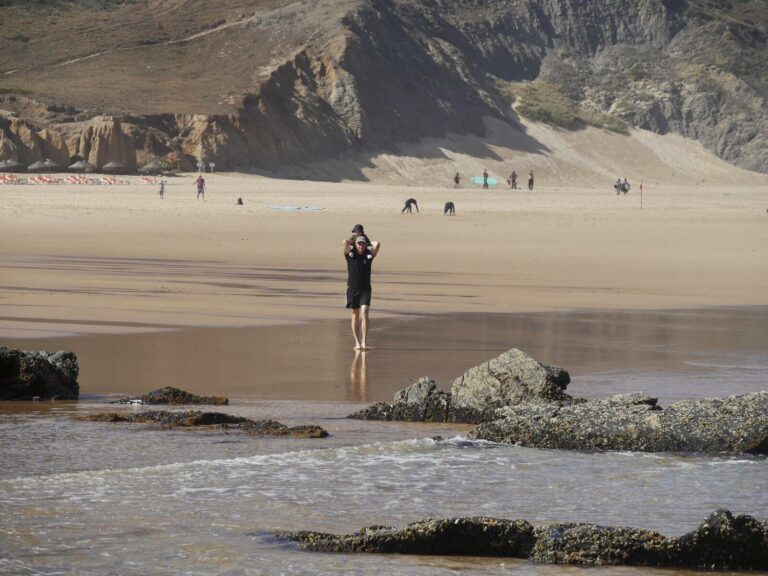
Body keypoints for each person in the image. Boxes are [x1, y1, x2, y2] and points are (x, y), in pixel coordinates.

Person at [343, 234, 381, 351]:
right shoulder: (350, 255)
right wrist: (354, 241)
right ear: (356, 244)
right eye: (359, 244)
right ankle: (357, 342)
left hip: (365, 289)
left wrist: (367, 242)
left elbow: (377, 244)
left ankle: (364, 341)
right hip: (352, 289)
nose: (361, 246)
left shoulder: (368, 256)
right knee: (355, 314)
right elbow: (344, 242)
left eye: (363, 244)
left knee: (364, 313)